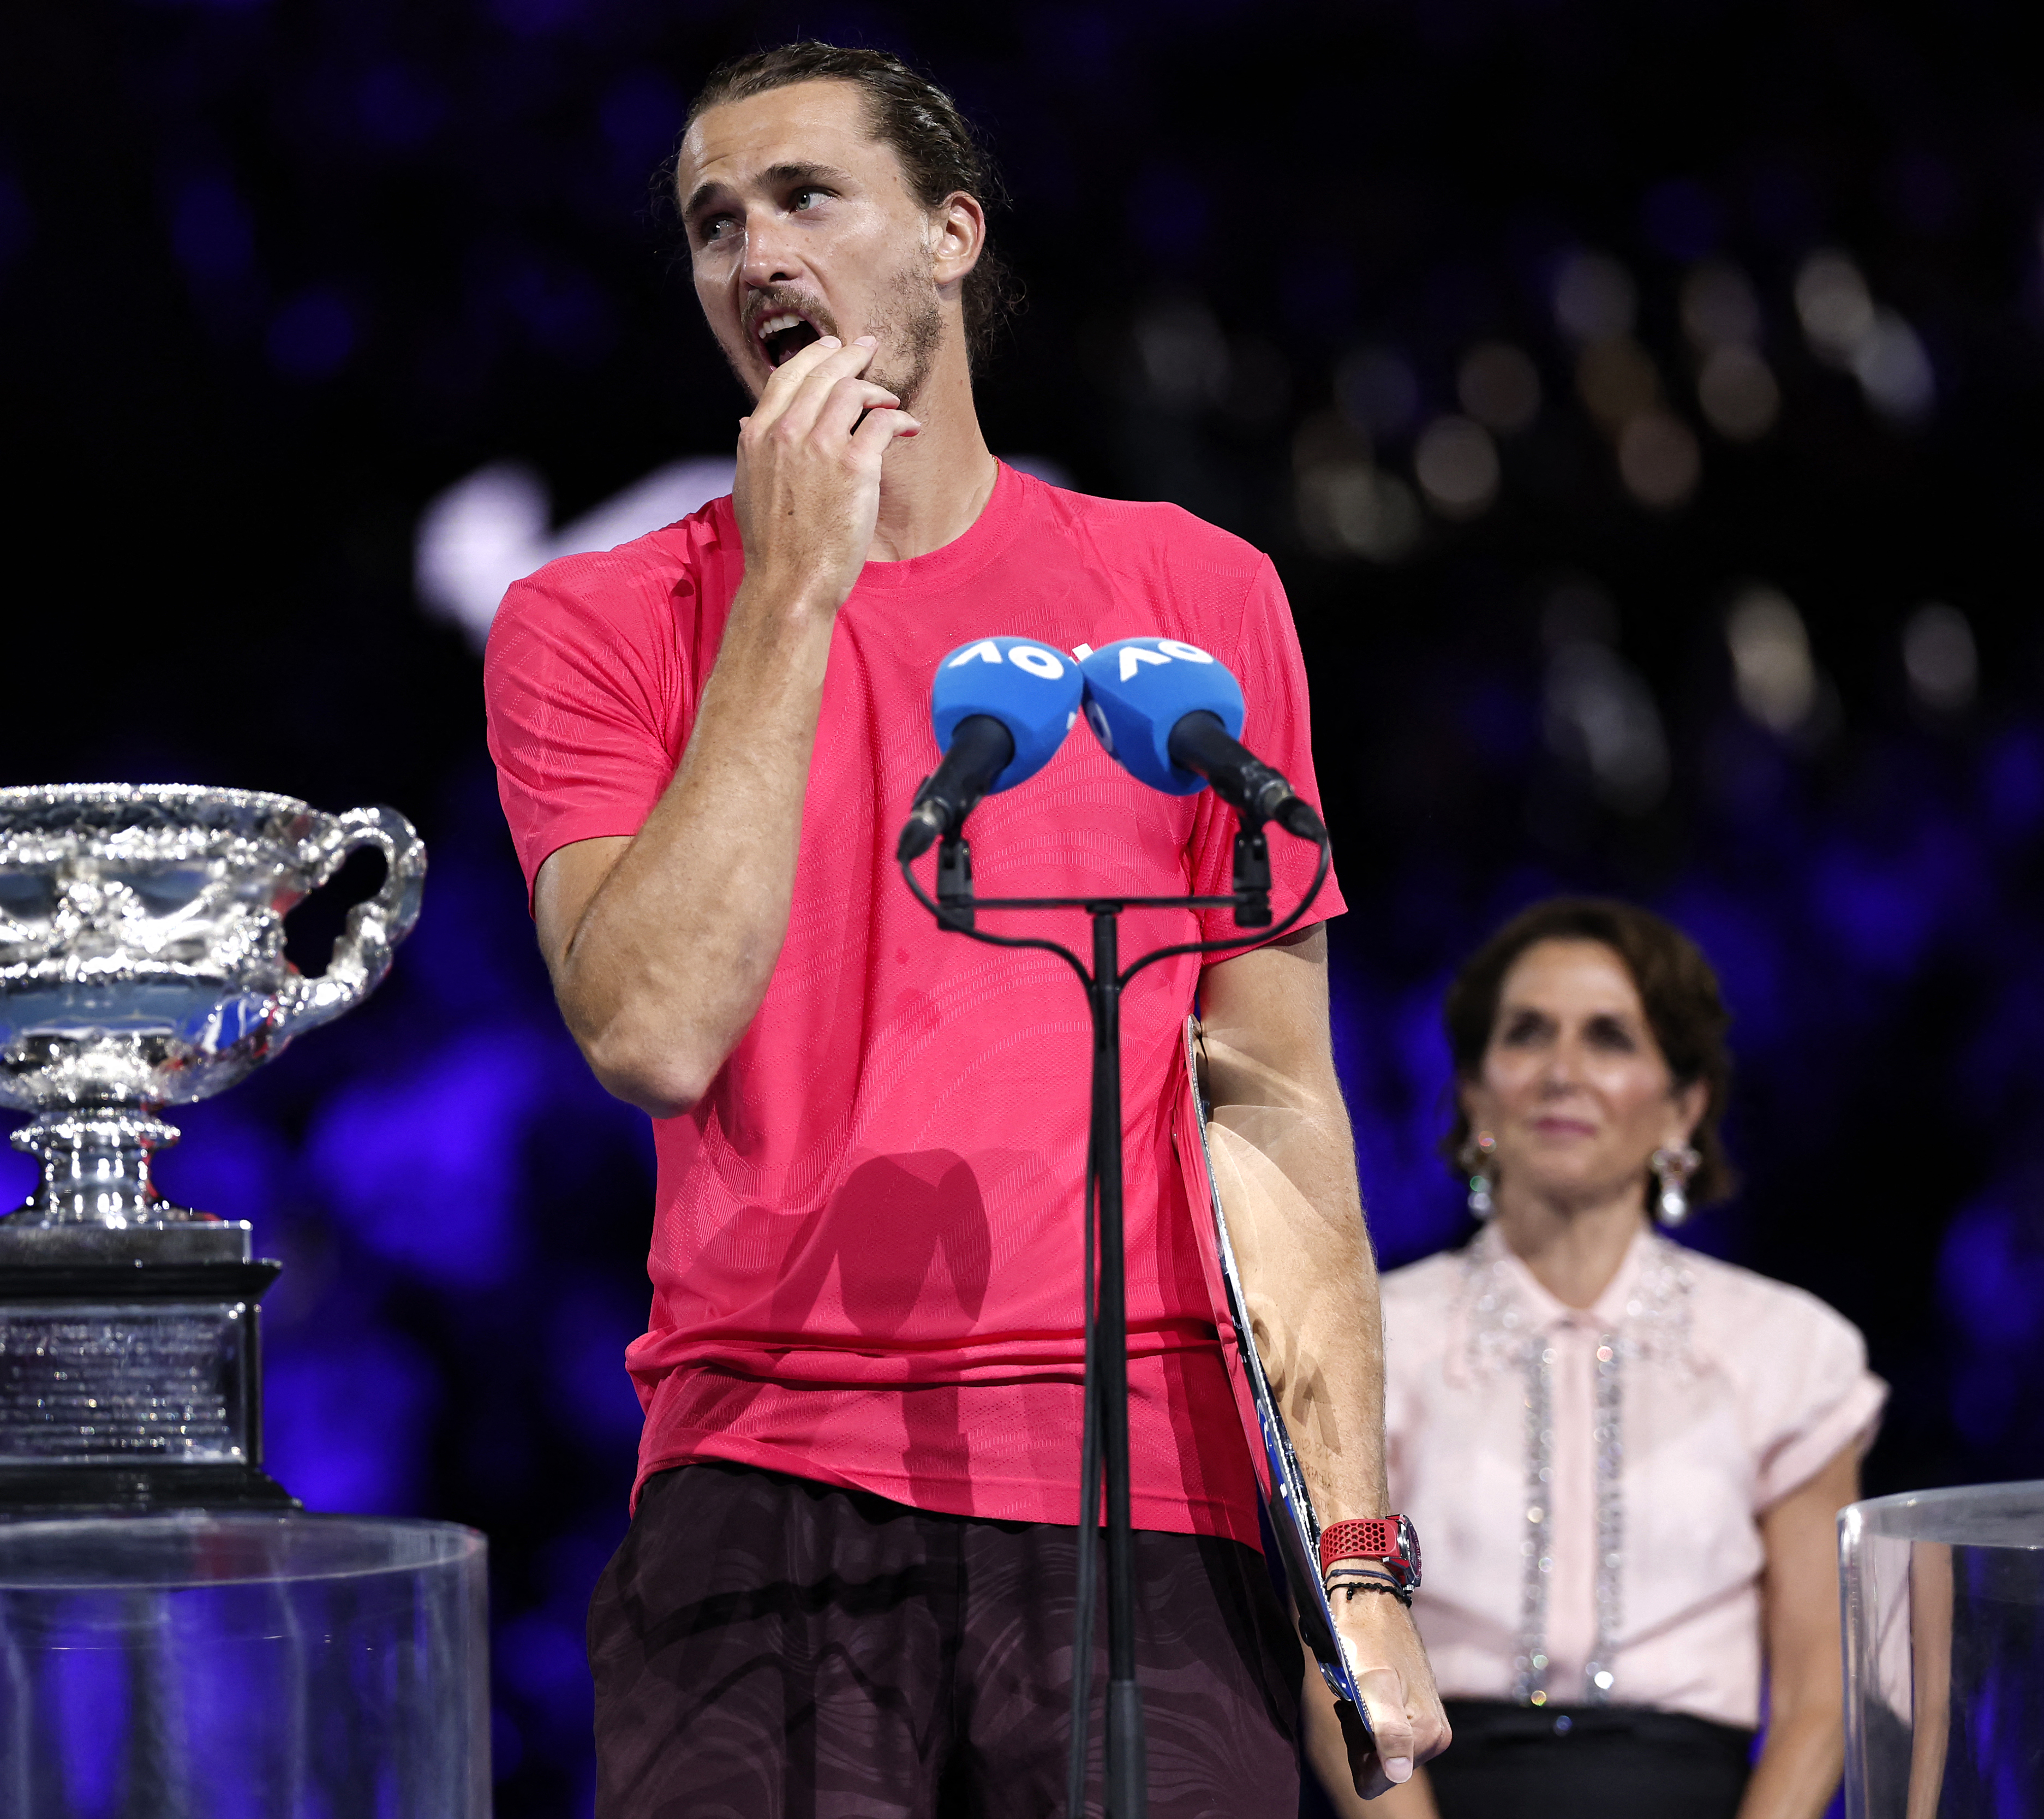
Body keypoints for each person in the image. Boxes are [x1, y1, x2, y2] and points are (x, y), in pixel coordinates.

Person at [482, 39, 1447, 1816]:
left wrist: (1359, 1561)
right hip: (760, 1495)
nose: (754, 251)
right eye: (713, 222)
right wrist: (792, 594)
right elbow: (653, 1029)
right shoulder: (594, 623)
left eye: (805, 197)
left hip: (1145, 1508)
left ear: (948, 235)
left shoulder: (1195, 599)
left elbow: (1284, 1114)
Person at [1302, 899, 1882, 1819]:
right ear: (1476, 1094)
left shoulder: (1789, 1349)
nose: (1563, 1073)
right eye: (1527, 1035)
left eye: (1610, 1038)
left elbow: (1822, 1697)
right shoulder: (1372, 1332)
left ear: (1682, 1106)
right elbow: (1325, 1651)